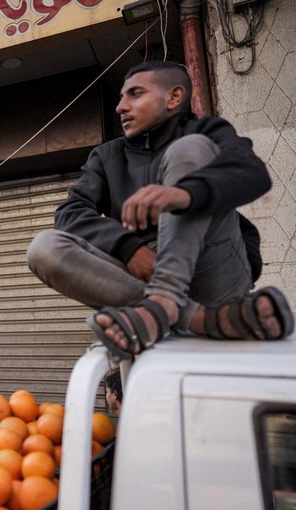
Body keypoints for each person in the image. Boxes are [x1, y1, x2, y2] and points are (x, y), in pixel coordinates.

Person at [26, 61, 293, 360]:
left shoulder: (207, 131)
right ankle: (195, 318)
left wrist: (184, 194)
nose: (120, 107)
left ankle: (164, 303)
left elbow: (253, 173)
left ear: (174, 97)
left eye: (135, 94)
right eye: (121, 97)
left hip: (212, 269)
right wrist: (129, 248)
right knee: (43, 249)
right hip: (144, 279)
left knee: (190, 148)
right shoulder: (106, 156)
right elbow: (70, 213)